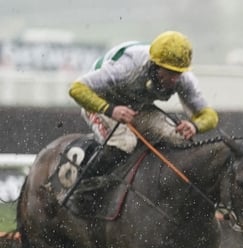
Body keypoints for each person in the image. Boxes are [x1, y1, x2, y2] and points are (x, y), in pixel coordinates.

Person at [68, 30, 219, 179]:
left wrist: (195, 126)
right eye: (170, 72)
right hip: (101, 102)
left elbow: (209, 116)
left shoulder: (184, 79)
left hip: (136, 107)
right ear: (155, 65)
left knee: (178, 138)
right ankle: (85, 187)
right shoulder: (126, 68)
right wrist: (110, 110)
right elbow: (77, 89)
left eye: (178, 73)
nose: (175, 79)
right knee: (125, 142)